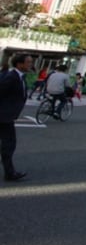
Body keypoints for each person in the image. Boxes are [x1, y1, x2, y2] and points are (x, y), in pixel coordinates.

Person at [0, 53, 32, 182]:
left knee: (8, 144)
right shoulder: (11, 77)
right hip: (3, 116)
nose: (30, 65)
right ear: (19, 64)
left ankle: (9, 172)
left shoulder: (19, 76)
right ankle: (10, 173)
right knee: (9, 144)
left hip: (7, 116)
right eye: (28, 62)